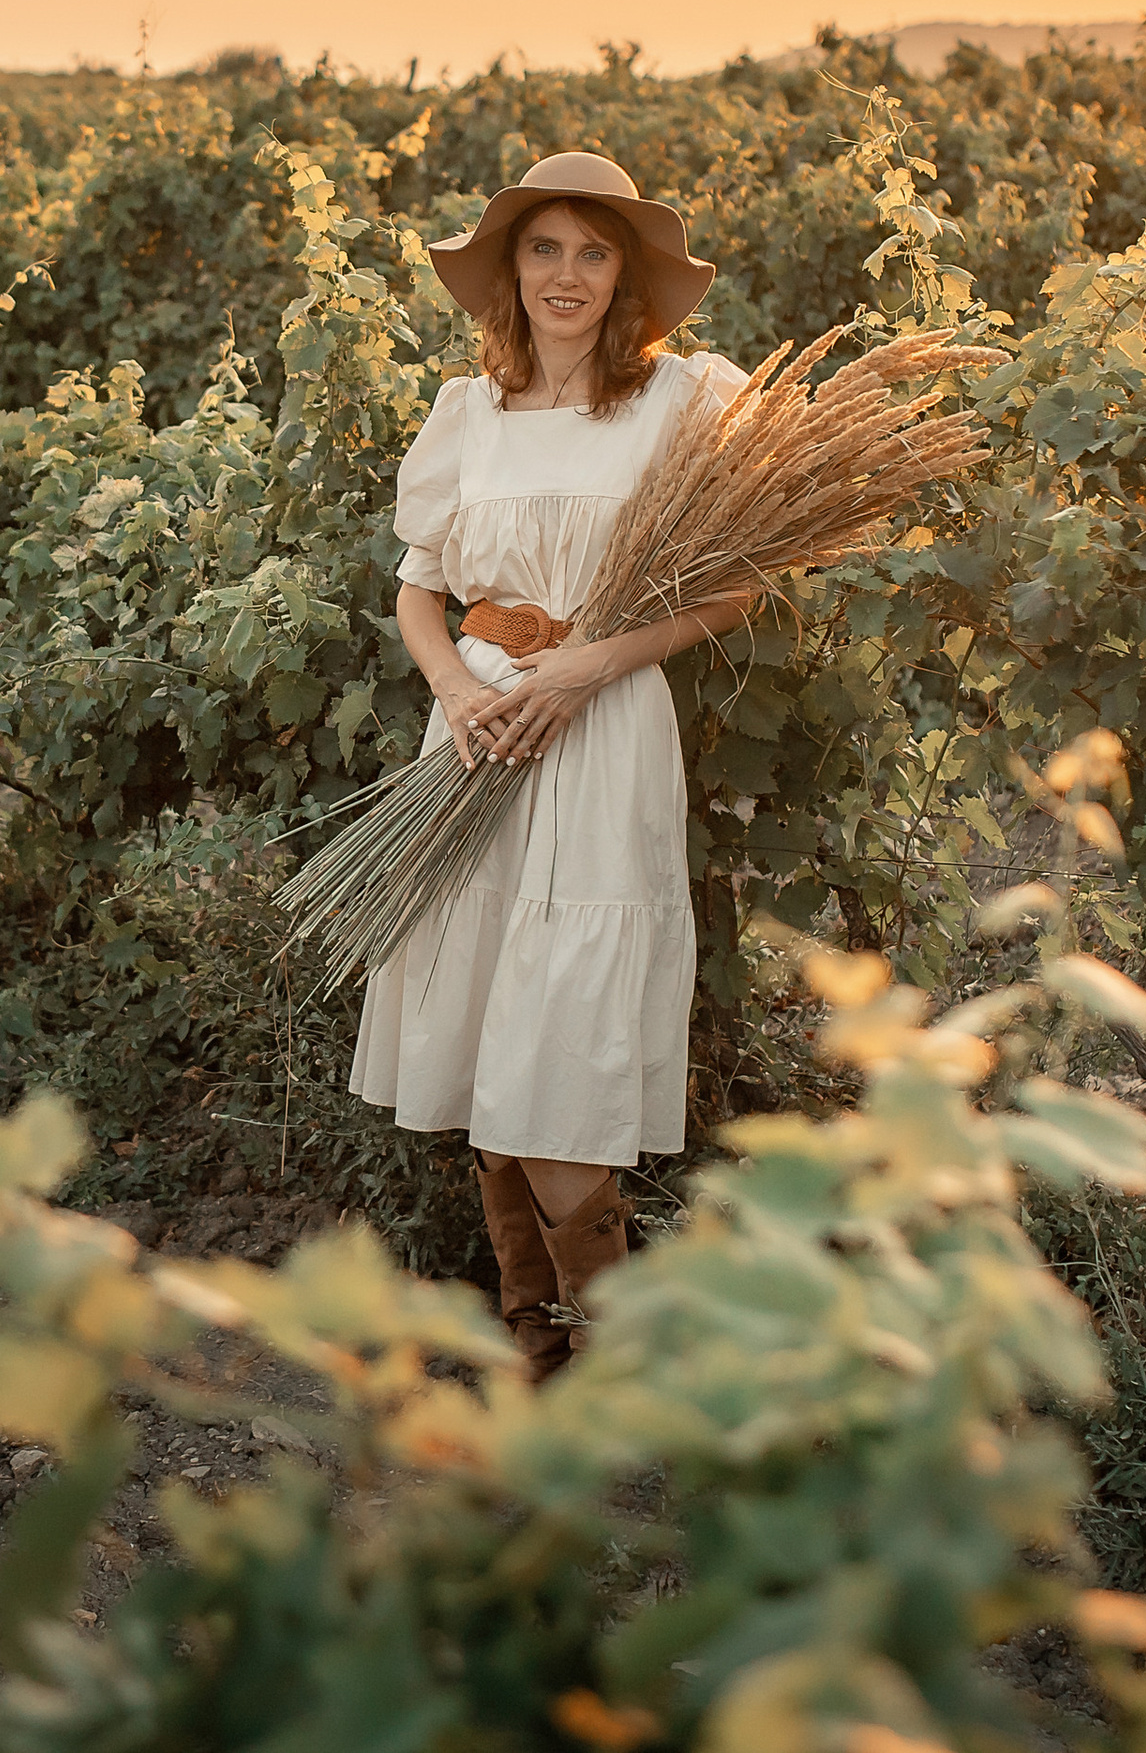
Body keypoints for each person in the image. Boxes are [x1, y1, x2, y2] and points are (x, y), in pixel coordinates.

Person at [348, 150, 756, 1380]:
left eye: (591, 251)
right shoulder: (463, 413)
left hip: (601, 725)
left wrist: (589, 668)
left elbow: (736, 588)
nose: (566, 274)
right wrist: (460, 690)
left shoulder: (679, 403)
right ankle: (537, 1323)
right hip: (472, 736)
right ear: (509, 273)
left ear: (622, 273)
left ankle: (602, 1335)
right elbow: (421, 594)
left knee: (563, 1029)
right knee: (485, 1019)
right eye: (543, 249)